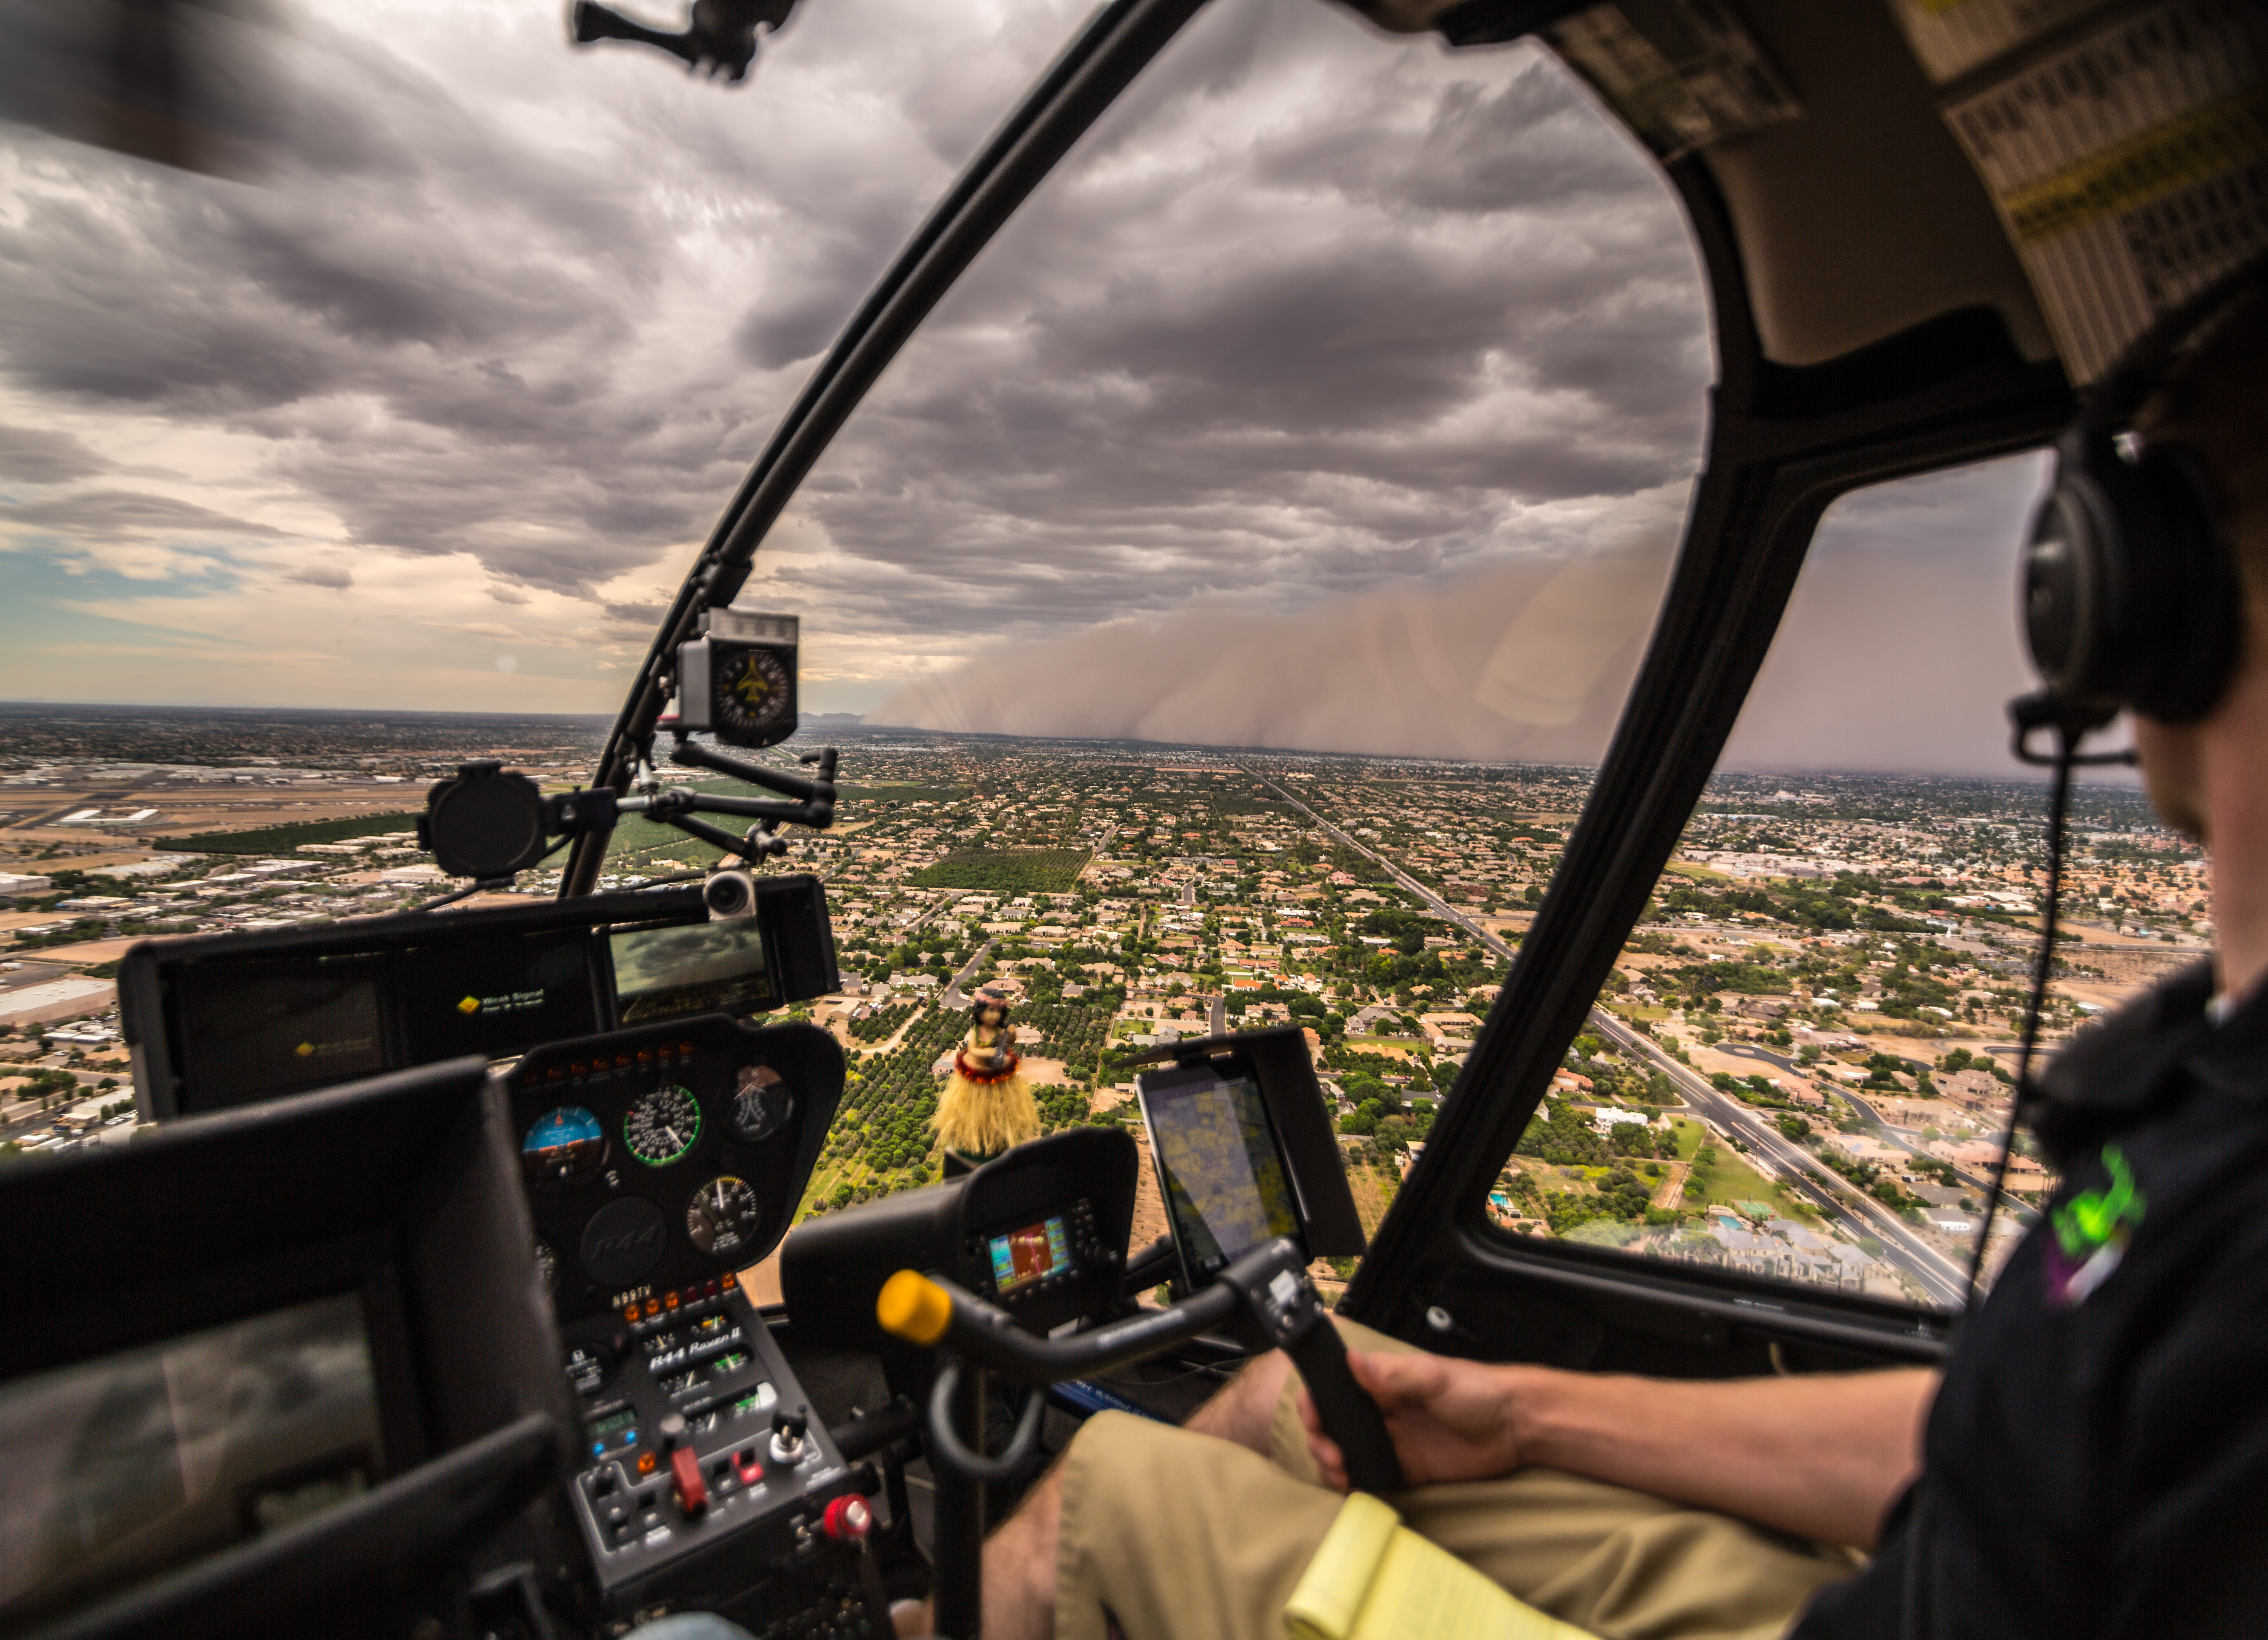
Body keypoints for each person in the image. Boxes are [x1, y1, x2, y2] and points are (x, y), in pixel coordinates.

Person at [978, 293, 2268, 1640]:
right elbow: (2012, 1418)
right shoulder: (2209, 1071)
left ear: (2138, 599)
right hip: (1925, 1565)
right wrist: (1526, 1405)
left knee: (1109, 1490)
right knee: (1299, 1393)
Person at [935, 989, 1040, 1168]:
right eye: (991, 1010)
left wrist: (1012, 1034)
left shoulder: (999, 1031)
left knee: (999, 1112)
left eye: (999, 1011)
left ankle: (996, 1143)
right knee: (975, 1113)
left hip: (997, 1076)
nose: (995, 1015)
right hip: (977, 1078)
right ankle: (975, 1144)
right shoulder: (976, 1032)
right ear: (980, 1011)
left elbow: (1010, 1041)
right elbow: (973, 1050)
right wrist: (987, 1052)